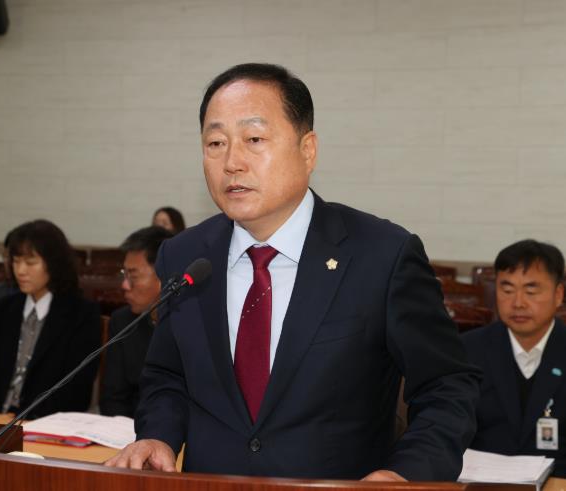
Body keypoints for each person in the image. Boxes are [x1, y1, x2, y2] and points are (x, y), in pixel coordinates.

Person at [106, 63, 481, 480]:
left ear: (308, 150)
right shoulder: (185, 255)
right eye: (215, 143)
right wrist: (158, 435)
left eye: (254, 139)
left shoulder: (382, 255)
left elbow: (448, 386)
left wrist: (406, 474)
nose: (232, 162)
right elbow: (167, 375)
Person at [462, 240, 566, 483]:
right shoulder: (467, 351)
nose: (518, 303)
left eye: (531, 291)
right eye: (507, 290)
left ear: (558, 295)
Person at [0, 219, 101, 418]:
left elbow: (76, 390)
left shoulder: (81, 314)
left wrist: (22, 419)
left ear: (53, 264)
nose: (21, 271)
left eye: (31, 262)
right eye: (16, 261)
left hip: (46, 423)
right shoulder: (3, 308)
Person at [99, 226, 174, 417]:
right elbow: (113, 398)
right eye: (124, 275)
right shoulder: (122, 321)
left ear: (164, 275)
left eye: (133, 276)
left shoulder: (195, 325)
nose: (125, 285)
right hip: (130, 428)